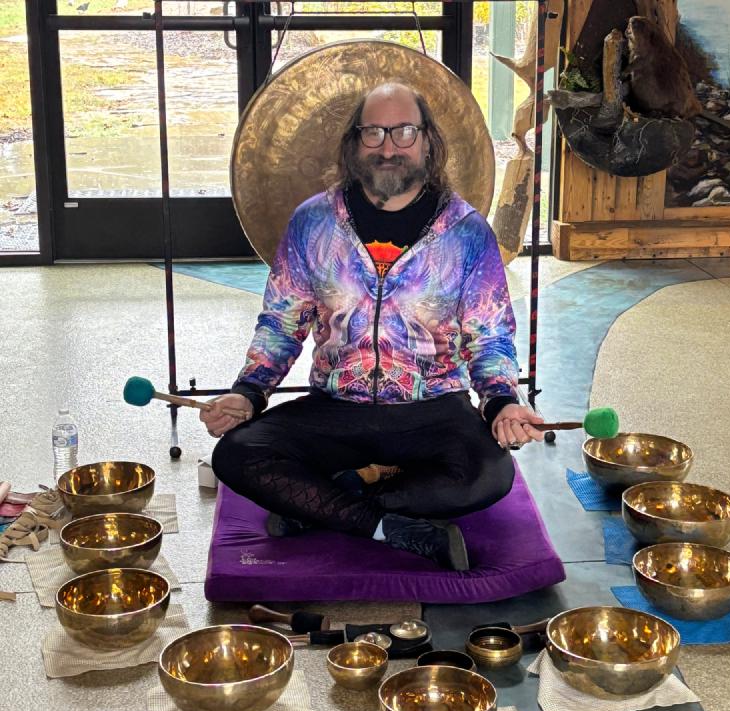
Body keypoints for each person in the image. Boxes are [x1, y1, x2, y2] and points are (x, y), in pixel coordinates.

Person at [203, 82, 544, 572]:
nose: (388, 147)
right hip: (336, 407)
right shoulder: (313, 223)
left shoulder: (467, 233)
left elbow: (489, 335)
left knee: (488, 474)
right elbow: (281, 321)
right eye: (374, 133)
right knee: (237, 454)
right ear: (354, 142)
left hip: (432, 410)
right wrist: (248, 392)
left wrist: (501, 400)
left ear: (427, 141)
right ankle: (388, 524)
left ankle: (325, 501)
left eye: (404, 132)